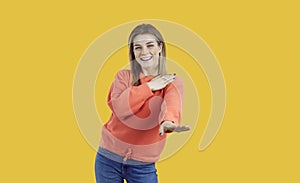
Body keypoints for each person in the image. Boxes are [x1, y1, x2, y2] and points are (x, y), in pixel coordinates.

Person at [94, 24, 190, 183]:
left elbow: (172, 105)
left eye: (150, 45)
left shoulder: (171, 83)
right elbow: (120, 108)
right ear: (133, 52)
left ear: (160, 47)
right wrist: (150, 86)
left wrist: (168, 122)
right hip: (107, 159)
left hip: (142, 166)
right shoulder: (123, 77)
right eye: (138, 47)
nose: (144, 52)